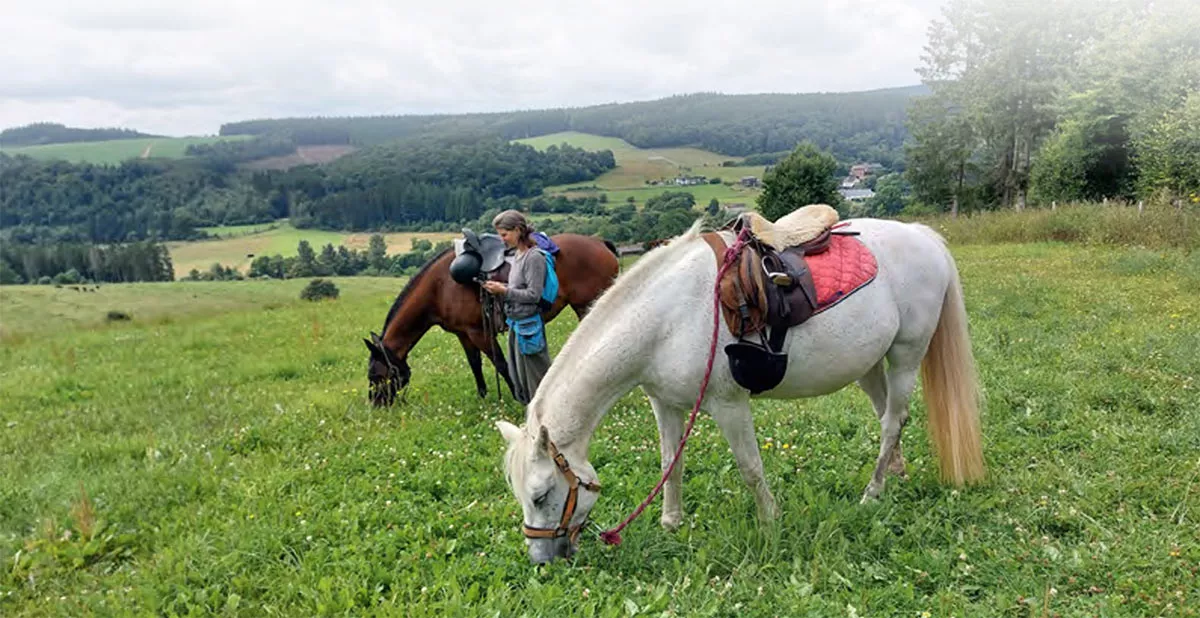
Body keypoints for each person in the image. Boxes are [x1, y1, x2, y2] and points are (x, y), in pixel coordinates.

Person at [482, 210, 552, 404]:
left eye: (504, 234)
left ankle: (547, 418)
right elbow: (518, 288)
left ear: (518, 230)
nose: (502, 239)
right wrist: (501, 288)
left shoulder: (533, 258)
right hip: (516, 325)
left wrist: (504, 292)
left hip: (529, 327)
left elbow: (533, 295)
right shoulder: (518, 255)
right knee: (520, 378)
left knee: (537, 379)